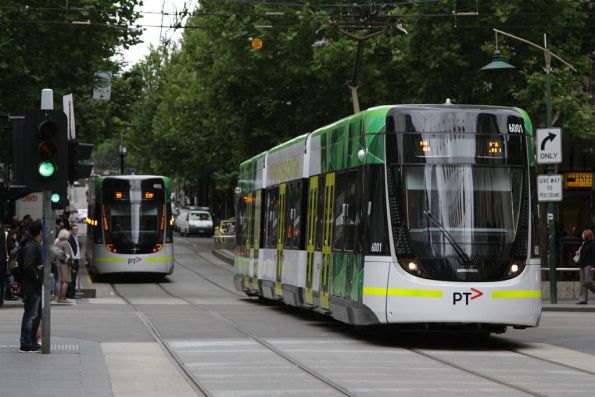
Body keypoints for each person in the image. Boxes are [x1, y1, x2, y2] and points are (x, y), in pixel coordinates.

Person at [19, 220, 43, 352]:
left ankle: (31, 341)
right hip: (31, 286)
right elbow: (28, 266)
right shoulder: (31, 246)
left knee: (35, 314)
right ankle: (26, 343)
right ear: (40, 231)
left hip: (34, 286)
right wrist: (38, 277)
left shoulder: (33, 244)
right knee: (31, 315)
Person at [54, 229, 74, 304]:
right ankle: (63, 298)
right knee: (65, 281)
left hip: (58, 263)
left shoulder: (58, 242)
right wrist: (71, 265)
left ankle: (58, 298)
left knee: (59, 281)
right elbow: (67, 256)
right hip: (64, 264)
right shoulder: (66, 243)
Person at [576, 229, 595, 304]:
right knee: (583, 283)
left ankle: (583, 298)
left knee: (588, 281)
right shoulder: (584, 243)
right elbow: (583, 253)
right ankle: (583, 299)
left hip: (589, 264)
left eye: (583, 234)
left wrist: (594, 266)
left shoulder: (593, 243)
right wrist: (578, 253)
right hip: (582, 264)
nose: (582, 235)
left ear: (587, 235)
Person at [67, 224, 80, 299]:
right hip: (74, 260)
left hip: (77, 259)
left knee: (74, 277)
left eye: (76, 229)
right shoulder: (70, 238)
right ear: (71, 230)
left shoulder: (76, 237)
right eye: (74, 229)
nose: (76, 230)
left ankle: (72, 293)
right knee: (73, 278)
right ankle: (71, 294)